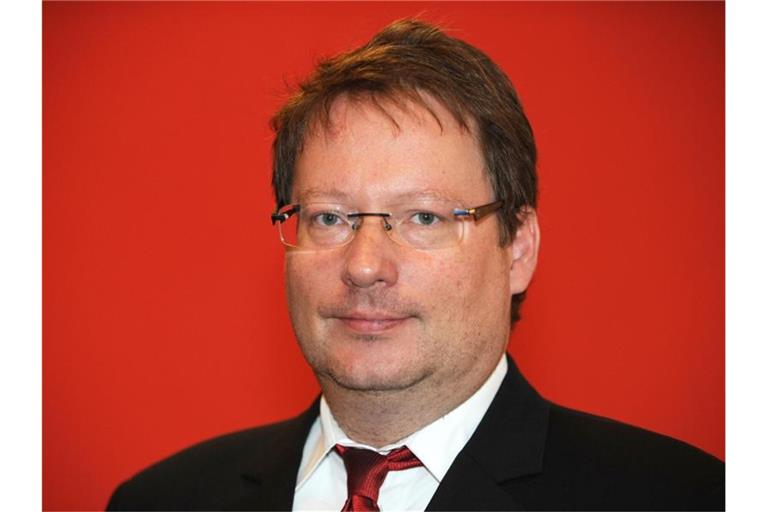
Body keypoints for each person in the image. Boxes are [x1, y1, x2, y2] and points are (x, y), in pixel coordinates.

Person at [107, 19, 724, 511]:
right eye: (329, 217)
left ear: (518, 248)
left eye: (423, 217)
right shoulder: (162, 500)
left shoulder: (681, 497)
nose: (364, 266)